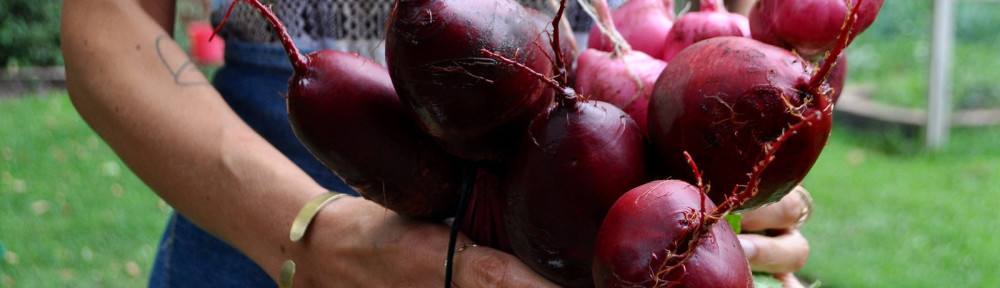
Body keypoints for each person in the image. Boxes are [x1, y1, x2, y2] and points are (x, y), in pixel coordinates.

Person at [61, 0, 810, 287]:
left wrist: (733, 177)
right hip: (264, 188)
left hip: (600, 175)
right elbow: (107, 21)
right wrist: (308, 237)